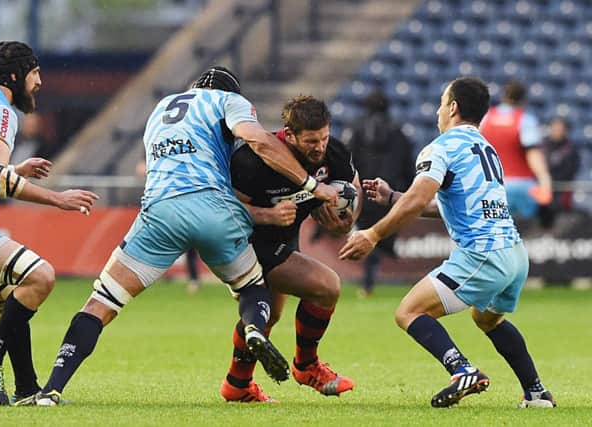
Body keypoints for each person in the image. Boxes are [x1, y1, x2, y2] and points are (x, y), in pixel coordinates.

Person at [26, 66, 339, 406]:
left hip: (161, 211)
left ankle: (51, 391)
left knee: (101, 301)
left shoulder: (161, 108)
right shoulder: (230, 101)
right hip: (215, 209)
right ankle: (253, 328)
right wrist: (311, 186)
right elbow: (259, 141)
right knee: (253, 288)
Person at [339, 77, 555, 408]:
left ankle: (462, 370)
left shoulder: (441, 147)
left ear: (452, 107)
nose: (439, 110)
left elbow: (418, 198)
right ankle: (537, 393)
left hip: (483, 255)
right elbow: (447, 204)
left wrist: (373, 233)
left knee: (408, 311)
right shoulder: (485, 148)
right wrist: (394, 196)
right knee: (487, 319)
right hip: (514, 255)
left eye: (442, 102)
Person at [0, 41, 99, 406]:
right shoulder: (1, 111)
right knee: (40, 276)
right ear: (15, 75)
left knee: (12, 306)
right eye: (35, 72)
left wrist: (14, 170)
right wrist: (58, 199)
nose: (40, 81)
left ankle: (26, 388)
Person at [222, 95, 361, 402]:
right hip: (249, 244)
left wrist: (344, 222)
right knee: (327, 287)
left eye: (324, 137)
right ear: (290, 133)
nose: (320, 147)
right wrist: (267, 215)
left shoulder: (333, 152)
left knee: (267, 317)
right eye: (311, 140)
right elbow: (225, 213)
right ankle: (307, 366)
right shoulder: (252, 160)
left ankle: (237, 385)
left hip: (284, 240)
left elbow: (353, 191)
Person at [347, 90, 414, 297]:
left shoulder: (356, 132)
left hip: (364, 194)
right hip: (388, 194)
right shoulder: (398, 133)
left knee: (368, 233)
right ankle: (384, 254)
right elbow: (407, 166)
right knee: (381, 235)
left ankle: (368, 282)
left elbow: (349, 163)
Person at [480, 80, 553, 220]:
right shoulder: (525, 120)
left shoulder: (486, 118)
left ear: (503, 97)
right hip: (521, 186)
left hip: (491, 186)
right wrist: (544, 180)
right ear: (523, 100)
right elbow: (533, 154)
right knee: (526, 233)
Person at [134, 158, 200, 293]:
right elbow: (140, 169)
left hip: (183, 205)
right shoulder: (154, 147)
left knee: (190, 246)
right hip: (161, 205)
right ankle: (152, 276)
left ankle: (194, 279)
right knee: (156, 242)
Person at [543, 116, 580, 218]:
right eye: (554, 128)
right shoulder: (543, 146)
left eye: (560, 129)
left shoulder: (571, 148)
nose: (557, 131)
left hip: (562, 188)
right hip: (543, 186)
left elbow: (571, 169)